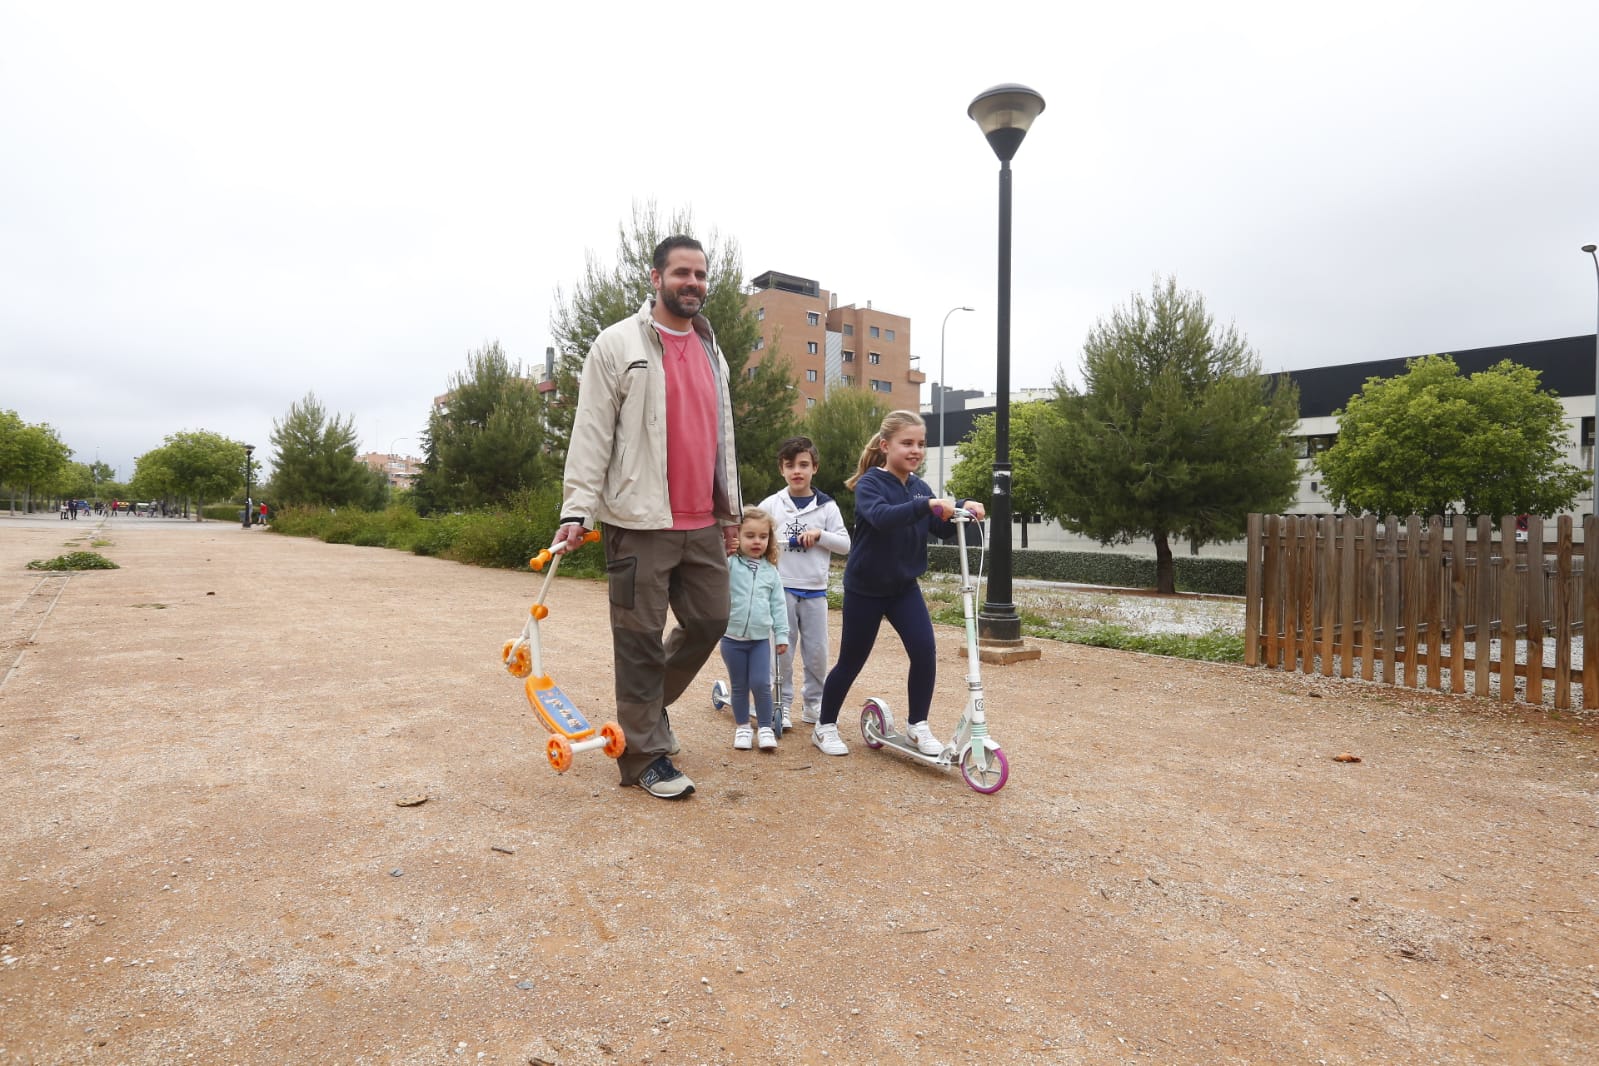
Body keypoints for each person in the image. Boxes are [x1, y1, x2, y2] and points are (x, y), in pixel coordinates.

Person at [552, 234, 742, 800]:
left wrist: (730, 510)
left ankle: (644, 717)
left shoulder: (713, 350)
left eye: (701, 275)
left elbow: (723, 437)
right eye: (682, 272)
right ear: (655, 278)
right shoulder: (616, 345)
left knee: (711, 619)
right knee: (637, 639)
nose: (693, 284)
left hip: (702, 521)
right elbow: (591, 432)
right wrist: (577, 508)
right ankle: (642, 756)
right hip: (638, 520)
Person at [810, 410, 986, 757]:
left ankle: (917, 725)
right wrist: (927, 505)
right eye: (907, 443)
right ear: (885, 445)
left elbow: (939, 527)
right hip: (866, 589)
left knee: (924, 652)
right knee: (851, 662)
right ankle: (825, 725)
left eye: (920, 443)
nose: (915, 450)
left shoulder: (920, 488)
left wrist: (964, 509)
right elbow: (882, 517)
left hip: (904, 588)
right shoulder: (871, 484)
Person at [757, 436, 850, 730]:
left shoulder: (827, 507)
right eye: (790, 465)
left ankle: (813, 704)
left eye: (803, 465)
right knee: (782, 649)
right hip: (781, 589)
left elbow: (845, 545)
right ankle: (780, 704)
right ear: (781, 469)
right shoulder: (772, 504)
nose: (797, 471)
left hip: (815, 591)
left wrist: (820, 535)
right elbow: (754, 536)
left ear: (815, 468)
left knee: (818, 652)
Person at [720, 506, 789, 751]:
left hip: (760, 640)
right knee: (739, 685)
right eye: (750, 536)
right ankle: (742, 728)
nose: (757, 541)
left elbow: (779, 606)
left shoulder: (771, 572)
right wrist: (724, 547)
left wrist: (781, 635)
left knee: (761, 683)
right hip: (731, 639)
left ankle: (766, 728)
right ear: (738, 535)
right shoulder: (730, 564)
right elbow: (714, 577)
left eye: (763, 536)